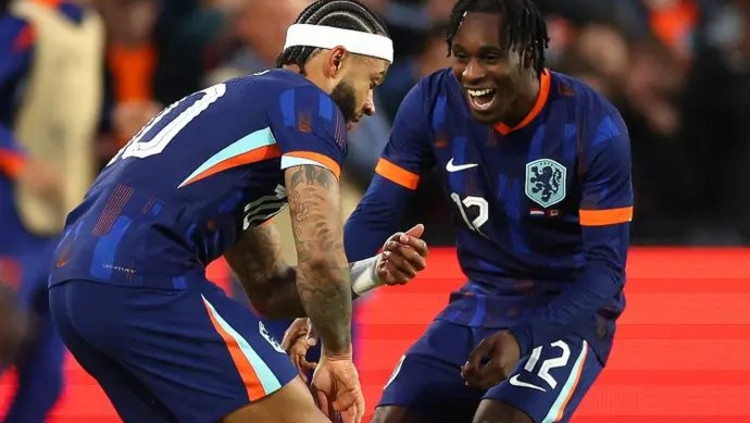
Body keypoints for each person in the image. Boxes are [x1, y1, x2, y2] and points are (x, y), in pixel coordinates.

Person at [48, 1, 427, 422]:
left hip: (75, 285)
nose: (371, 104)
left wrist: (374, 270)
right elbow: (320, 257)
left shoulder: (241, 111)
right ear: (336, 61)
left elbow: (268, 289)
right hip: (144, 278)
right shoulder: (310, 104)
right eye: (371, 82)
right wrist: (337, 355)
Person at [285, 0, 633, 421]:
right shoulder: (432, 101)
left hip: (564, 315)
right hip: (480, 301)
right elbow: (377, 213)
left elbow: (605, 274)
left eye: (490, 57)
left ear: (529, 53)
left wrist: (523, 338)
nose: (471, 74)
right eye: (461, 57)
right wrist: (318, 304)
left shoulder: (593, 125)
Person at [0, 0, 103, 422]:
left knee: (47, 378)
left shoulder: (89, 27)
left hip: (64, 221)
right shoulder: (22, 24)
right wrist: (20, 162)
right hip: (11, 220)